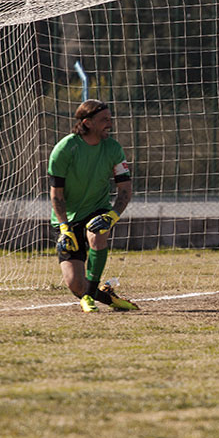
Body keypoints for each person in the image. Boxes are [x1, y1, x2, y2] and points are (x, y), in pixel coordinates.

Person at [48, 99, 139, 313]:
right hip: (67, 219)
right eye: (104, 120)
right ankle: (106, 296)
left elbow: (125, 189)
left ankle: (88, 296)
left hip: (97, 210)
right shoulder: (64, 149)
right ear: (87, 123)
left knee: (97, 232)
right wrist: (65, 228)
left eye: (110, 118)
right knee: (74, 284)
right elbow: (56, 195)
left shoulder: (113, 148)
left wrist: (113, 216)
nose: (110, 123)